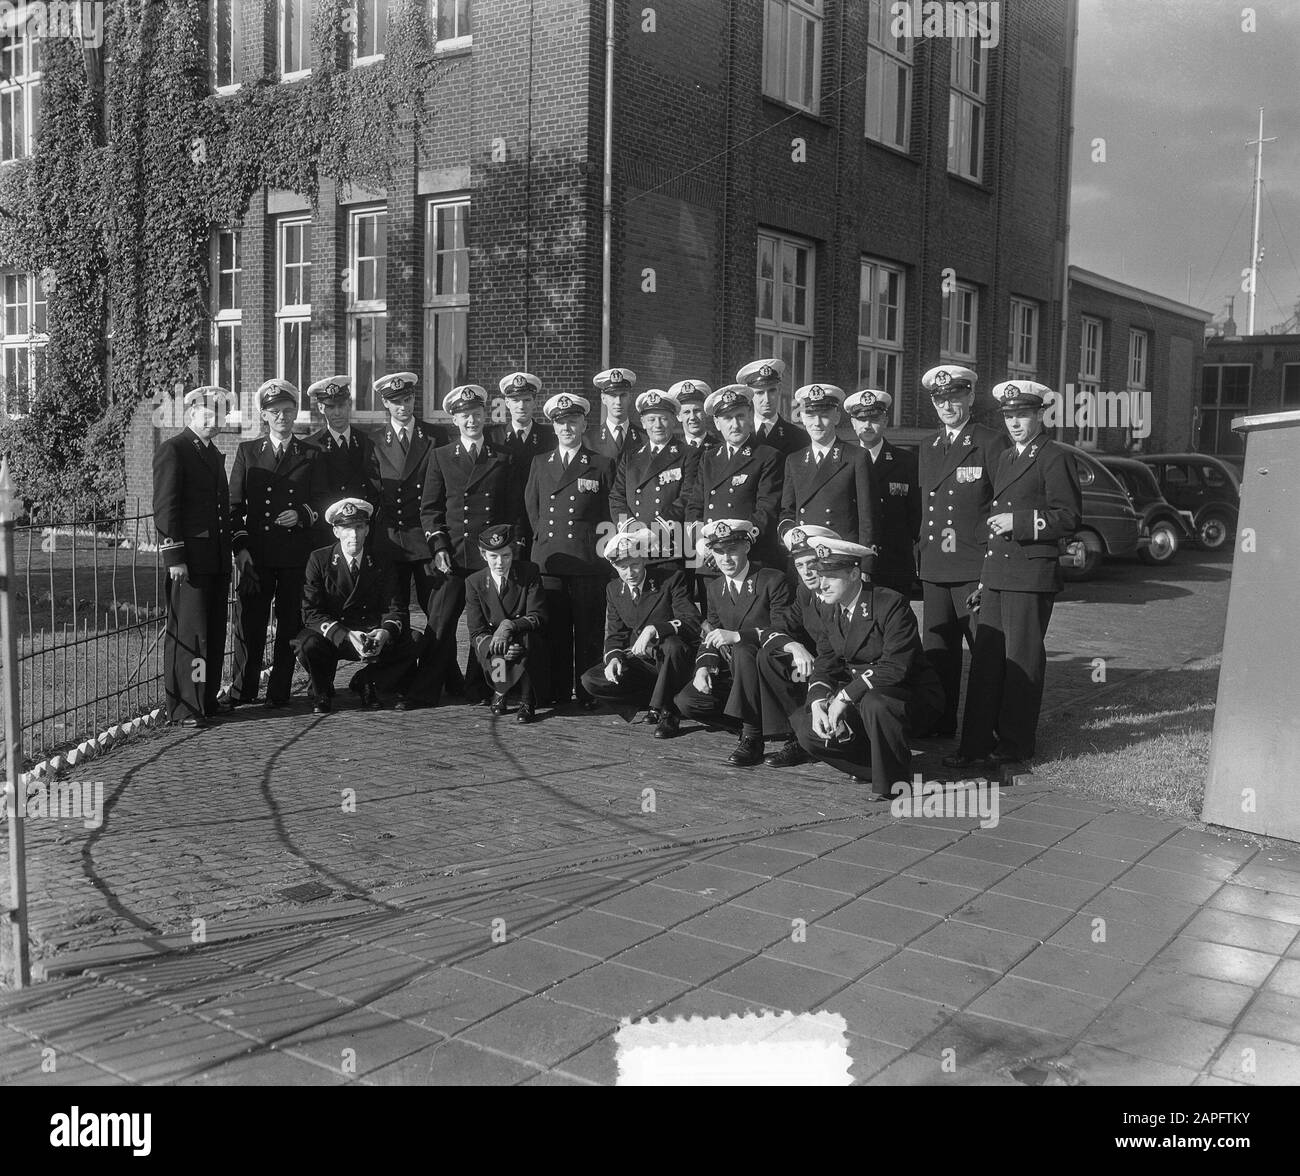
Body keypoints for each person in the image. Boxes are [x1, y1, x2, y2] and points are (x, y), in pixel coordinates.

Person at [946, 381, 1082, 769]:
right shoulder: (1005, 457)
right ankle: (973, 743)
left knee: (1021, 660)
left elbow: (1069, 518)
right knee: (986, 660)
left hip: (1030, 574)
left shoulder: (1054, 457)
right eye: (1009, 416)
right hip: (999, 575)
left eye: (1022, 415)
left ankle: (1014, 744)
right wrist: (984, 581)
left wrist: (1020, 522)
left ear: (1040, 415)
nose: (1015, 423)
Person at [789, 537, 944, 798]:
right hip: (861, 696)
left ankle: (893, 781)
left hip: (907, 695)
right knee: (803, 724)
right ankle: (877, 767)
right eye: (819, 575)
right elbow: (826, 663)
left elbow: (895, 667)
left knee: (875, 703)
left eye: (831, 577)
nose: (822, 584)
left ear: (853, 574)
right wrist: (818, 703)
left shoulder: (890, 603)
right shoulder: (829, 608)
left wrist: (844, 697)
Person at [916, 364, 1011, 737]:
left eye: (955, 397)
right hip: (935, 567)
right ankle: (938, 723)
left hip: (973, 567)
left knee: (985, 654)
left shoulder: (990, 442)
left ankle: (985, 730)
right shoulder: (929, 446)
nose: (947, 405)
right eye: (940, 399)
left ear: (970, 397)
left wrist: (991, 571)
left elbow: (1002, 507)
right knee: (938, 654)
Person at [420, 383, 519, 706]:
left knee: (490, 624)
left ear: (485, 416)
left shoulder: (501, 457)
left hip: (489, 557)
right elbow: (430, 509)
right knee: (440, 623)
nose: (472, 422)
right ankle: (427, 690)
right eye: (465, 417)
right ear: (455, 421)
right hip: (454, 555)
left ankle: (488, 687)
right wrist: (439, 546)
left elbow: (509, 508)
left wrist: (504, 549)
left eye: (477, 415)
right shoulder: (441, 456)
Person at [228, 378, 319, 709]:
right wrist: (241, 549)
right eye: (273, 411)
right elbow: (234, 507)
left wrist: (302, 514)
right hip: (259, 555)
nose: (281, 416)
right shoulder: (248, 452)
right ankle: (243, 690)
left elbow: (323, 501)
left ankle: (278, 691)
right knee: (249, 624)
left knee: (289, 624)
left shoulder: (310, 453)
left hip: (295, 555)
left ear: (295, 412)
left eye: (287, 410)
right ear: (263, 416)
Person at [673, 519, 794, 767]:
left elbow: (784, 630)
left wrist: (740, 636)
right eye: (718, 552)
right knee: (687, 701)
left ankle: (753, 737)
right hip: (737, 674)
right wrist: (703, 667)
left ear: (747, 548)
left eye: (732, 550)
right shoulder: (716, 588)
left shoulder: (772, 579)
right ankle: (760, 725)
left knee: (743, 648)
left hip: (769, 669)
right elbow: (714, 633)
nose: (725, 558)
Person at [524, 392, 616, 709]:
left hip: (588, 561)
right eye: (561, 422)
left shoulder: (601, 464)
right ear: (553, 426)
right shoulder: (540, 463)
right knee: (556, 629)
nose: (567, 428)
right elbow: (532, 509)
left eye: (572, 421)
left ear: (583, 423)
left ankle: (588, 691)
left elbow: (609, 514)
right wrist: (545, 542)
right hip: (551, 560)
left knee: (589, 629)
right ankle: (559, 690)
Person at [296, 499, 429, 713]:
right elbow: (311, 612)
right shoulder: (319, 559)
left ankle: (367, 681)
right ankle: (321, 690)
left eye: (359, 527)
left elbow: (395, 608)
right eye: (347, 528)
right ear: (336, 531)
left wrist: (384, 633)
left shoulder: (381, 560)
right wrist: (347, 635)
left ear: (367, 529)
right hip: (337, 636)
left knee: (415, 640)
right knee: (306, 644)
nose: (354, 535)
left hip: (371, 634)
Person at [153, 385, 233, 727]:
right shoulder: (175, 449)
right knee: (191, 634)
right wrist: (175, 558)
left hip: (214, 558)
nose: (214, 421)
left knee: (213, 632)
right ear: (191, 414)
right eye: (208, 413)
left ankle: (206, 698)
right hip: (190, 561)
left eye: (220, 414)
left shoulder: (211, 452)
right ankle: (187, 706)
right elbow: (166, 508)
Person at [579, 524, 702, 738]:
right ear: (614, 567)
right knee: (591, 679)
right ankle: (654, 699)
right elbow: (615, 634)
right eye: (622, 567)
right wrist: (614, 658)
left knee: (672, 645)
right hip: (643, 661)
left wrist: (656, 629)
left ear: (644, 559)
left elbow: (692, 621)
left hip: (672, 659)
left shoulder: (671, 579)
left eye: (635, 565)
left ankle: (668, 713)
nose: (630, 573)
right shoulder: (614, 589)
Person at [364, 371, 451, 636]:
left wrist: (439, 540)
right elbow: (373, 492)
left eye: (408, 399)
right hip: (391, 538)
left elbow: (443, 490)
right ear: (385, 404)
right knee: (394, 613)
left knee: (437, 613)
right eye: (396, 401)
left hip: (424, 537)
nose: (403, 407)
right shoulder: (374, 440)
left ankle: (442, 675)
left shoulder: (435, 436)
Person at [685, 384, 782, 590]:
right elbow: (694, 507)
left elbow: (766, 510)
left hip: (748, 559)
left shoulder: (767, 456)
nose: (735, 424)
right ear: (717, 423)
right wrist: (704, 546)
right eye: (728, 419)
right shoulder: (709, 458)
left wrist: (730, 548)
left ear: (750, 417)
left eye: (740, 416)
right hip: (710, 561)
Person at [463, 522, 547, 723]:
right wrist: (498, 642)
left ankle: (527, 700)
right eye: (493, 556)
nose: (500, 562)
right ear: (484, 555)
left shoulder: (529, 573)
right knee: (496, 647)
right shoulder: (474, 582)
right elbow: (476, 630)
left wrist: (508, 625)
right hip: (495, 642)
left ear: (514, 552)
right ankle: (501, 691)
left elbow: (538, 615)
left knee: (526, 640)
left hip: (522, 635)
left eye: (506, 555)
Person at [779, 382, 877, 553]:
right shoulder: (794, 460)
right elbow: (788, 511)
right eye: (810, 415)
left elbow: (867, 516)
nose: (817, 423)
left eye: (824, 415)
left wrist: (865, 562)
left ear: (837, 417)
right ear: (801, 417)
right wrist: (788, 535)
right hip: (804, 554)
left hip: (841, 556)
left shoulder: (855, 457)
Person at [843, 389, 921, 597]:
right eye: (861, 419)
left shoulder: (907, 462)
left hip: (895, 562)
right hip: (853, 561)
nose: (867, 425)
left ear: (885, 420)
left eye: (874, 418)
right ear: (852, 423)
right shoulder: (843, 460)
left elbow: (916, 515)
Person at [610, 388, 697, 568]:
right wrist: (632, 529)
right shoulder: (630, 457)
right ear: (642, 422)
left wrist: (655, 531)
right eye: (651, 419)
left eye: (663, 418)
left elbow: (688, 497)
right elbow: (616, 497)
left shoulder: (688, 454)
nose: (657, 425)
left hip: (671, 548)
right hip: (634, 548)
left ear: (674, 420)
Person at [487, 371, 554, 557]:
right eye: (515, 400)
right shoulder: (492, 437)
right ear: (506, 403)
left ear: (535, 402)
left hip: (538, 521)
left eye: (526, 400)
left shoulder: (550, 437)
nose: (521, 406)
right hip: (502, 520)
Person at [305, 375, 377, 535]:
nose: (337, 412)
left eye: (341, 405)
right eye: (330, 407)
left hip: (360, 529)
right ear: (321, 408)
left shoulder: (367, 441)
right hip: (326, 530)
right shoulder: (309, 446)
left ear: (349, 404)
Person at [737, 357, 809, 459]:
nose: (767, 399)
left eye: (772, 391)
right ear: (750, 395)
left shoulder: (798, 437)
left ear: (779, 390)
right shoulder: (738, 433)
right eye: (760, 393)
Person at [585, 367, 644, 461]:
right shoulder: (588, 440)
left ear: (630, 397)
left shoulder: (644, 438)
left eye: (623, 395)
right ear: (603, 398)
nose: (618, 402)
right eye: (613, 395)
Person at [671, 379, 719, 451]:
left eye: (697, 411)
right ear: (678, 416)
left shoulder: (719, 449)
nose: (692, 417)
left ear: (705, 413)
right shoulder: (672, 451)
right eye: (686, 412)